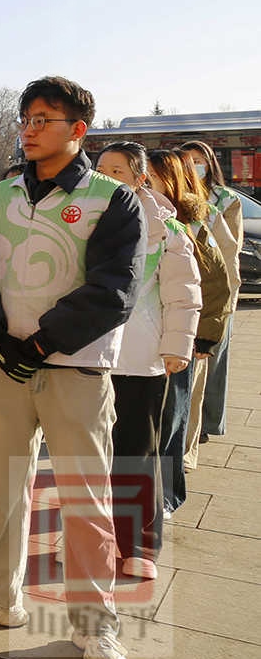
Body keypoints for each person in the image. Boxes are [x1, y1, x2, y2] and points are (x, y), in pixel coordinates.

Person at [0, 76, 143, 659]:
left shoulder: (112, 199)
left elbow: (114, 289)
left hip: (76, 368)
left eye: (43, 119)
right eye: (25, 119)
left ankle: (95, 622)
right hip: (5, 366)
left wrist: (42, 341)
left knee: (86, 499)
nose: (29, 130)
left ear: (78, 129)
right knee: (2, 488)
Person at [95, 142, 199, 581]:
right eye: (101, 169)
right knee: (86, 451)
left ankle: (138, 544)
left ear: (140, 179)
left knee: (136, 450)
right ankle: (87, 538)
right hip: (87, 355)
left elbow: (184, 295)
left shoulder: (168, 230)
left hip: (141, 359)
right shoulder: (75, 220)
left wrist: (177, 346)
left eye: (117, 171)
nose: (106, 177)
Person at [147, 149, 234, 516]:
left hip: (179, 340)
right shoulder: (125, 215)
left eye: (151, 177)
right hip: (137, 339)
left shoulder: (195, 222)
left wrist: (204, 337)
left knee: (171, 419)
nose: (144, 184)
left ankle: (166, 495)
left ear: (170, 180)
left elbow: (218, 285)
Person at [177, 140, 242, 446]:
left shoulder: (225, 199)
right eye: (187, 160)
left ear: (210, 164)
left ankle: (207, 422)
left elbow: (230, 250)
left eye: (199, 160)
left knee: (211, 361)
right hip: (184, 288)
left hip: (217, 289)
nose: (193, 166)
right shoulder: (175, 193)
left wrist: (225, 296)